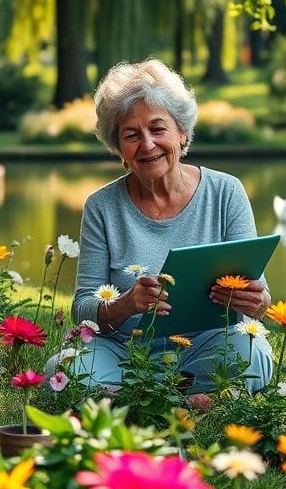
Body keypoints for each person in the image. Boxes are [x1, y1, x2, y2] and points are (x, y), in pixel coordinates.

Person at [69, 59, 273, 393]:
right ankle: (181, 395)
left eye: (158, 128)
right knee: (69, 367)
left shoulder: (226, 192)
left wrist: (254, 301)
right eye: (132, 135)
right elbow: (83, 309)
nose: (147, 144)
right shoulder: (101, 206)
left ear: (181, 132)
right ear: (119, 148)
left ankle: (137, 398)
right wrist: (125, 304)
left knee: (251, 355)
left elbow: (261, 297)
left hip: (205, 345)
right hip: (122, 350)